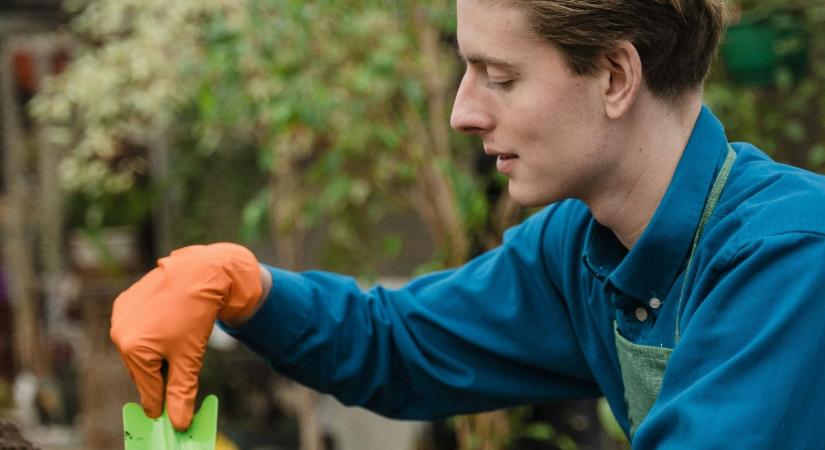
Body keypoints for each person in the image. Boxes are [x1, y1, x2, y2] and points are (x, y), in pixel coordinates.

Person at [110, 0, 825, 448]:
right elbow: (400, 345)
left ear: (614, 76)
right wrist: (247, 289)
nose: (462, 113)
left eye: (499, 77)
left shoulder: (788, 256)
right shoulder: (582, 247)